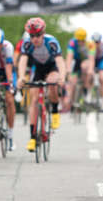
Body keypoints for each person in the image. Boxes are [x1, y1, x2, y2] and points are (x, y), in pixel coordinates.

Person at [17, 17, 66, 152]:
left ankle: (55, 111)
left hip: (52, 67)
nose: (35, 39)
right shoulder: (27, 44)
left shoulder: (51, 42)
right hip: (38, 69)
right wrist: (21, 77)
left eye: (38, 35)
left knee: (52, 83)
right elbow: (23, 61)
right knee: (33, 101)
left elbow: (60, 61)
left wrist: (62, 77)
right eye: (32, 36)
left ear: (43, 33)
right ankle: (32, 137)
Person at [65, 28, 96, 107]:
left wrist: (90, 70)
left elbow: (91, 59)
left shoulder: (90, 44)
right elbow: (69, 57)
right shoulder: (72, 42)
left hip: (86, 61)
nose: (80, 42)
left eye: (82, 40)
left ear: (85, 39)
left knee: (86, 68)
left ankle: (86, 90)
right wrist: (68, 70)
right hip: (76, 60)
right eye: (78, 40)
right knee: (72, 81)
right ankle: (72, 100)